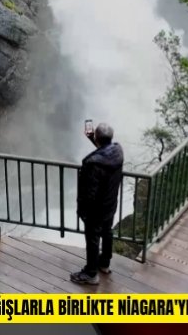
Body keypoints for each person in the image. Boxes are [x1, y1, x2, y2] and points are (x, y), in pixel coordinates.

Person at [71, 122, 124, 285]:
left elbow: (89, 192)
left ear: (97, 138)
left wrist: (82, 210)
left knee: (92, 238)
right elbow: (105, 154)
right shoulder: (118, 151)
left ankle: (91, 273)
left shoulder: (92, 164)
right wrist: (93, 139)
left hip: (96, 209)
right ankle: (104, 264)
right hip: (110, 203)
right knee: (107, 232)